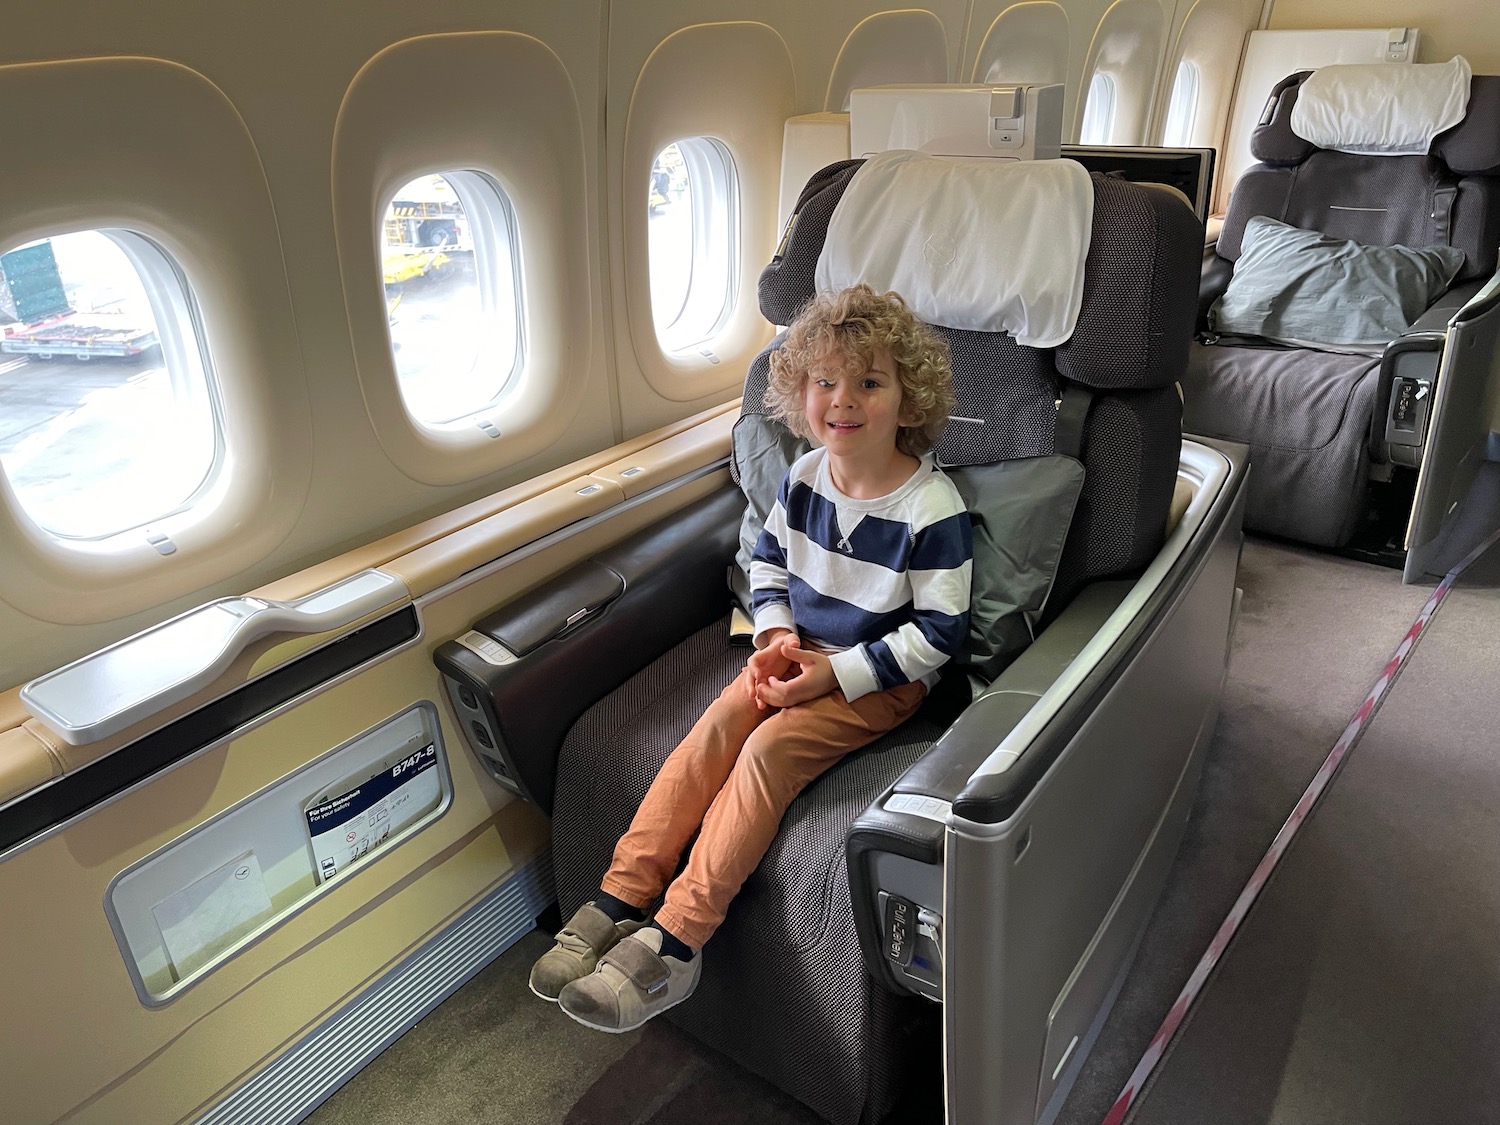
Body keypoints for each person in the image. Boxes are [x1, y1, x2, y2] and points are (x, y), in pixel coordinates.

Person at [530, 283, 973, 1032]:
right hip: (795, 653)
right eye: (824, 381)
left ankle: (675, 941)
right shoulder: (803, 481)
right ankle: (616, 900)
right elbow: (767, 567)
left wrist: (834, 672)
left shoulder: (931, 510)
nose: (843, 400)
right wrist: (773, 636)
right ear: (800, 393)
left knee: (766, 751)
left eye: (869, 381)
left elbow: (936, 635)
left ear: (910, 398)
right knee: (711, 730)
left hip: (878, 679)